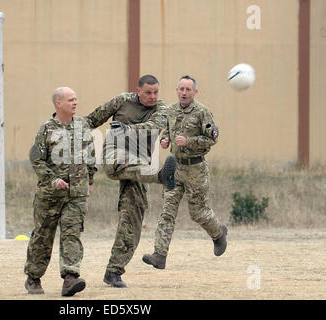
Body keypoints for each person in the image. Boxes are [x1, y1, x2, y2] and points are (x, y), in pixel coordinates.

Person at [124, 75, 227, 269]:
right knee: (167, 212)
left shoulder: (203, 112)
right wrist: (166, 141)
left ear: (195, 92)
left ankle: (219, 233)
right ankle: (159, 255)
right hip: (174, 167)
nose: (184, 93)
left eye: (188, 89)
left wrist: (189, 142)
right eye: (181, 89)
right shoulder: (170, 111)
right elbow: (167, 132)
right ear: (177, 91)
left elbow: (213, 139)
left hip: (196, 169)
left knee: (198, 212)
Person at [85, 74, 177, 288]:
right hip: (115, 156)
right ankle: (161, 176)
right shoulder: (121, 101)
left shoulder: (162, 109)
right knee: (124, 161)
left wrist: (128, 129)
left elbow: (154, 126)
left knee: (133, 218)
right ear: (138, 91)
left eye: (156, 92)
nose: (153, 97)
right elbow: (91, 120)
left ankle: (114, 271)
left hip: (140, 169)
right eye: (148, 92)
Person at [24, 87, 97, 296]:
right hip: (50, 196)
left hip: (76, 194)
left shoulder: (82, 126)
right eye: (70, 100)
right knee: (43, 237)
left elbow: (90, 155)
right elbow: (36, 159)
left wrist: (90, 180)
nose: (75, 103)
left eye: (76, 99)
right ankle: (33, 277)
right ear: (58, 103)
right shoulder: (46, 129)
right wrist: (52, 180)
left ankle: (70, 278)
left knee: (72, 234)